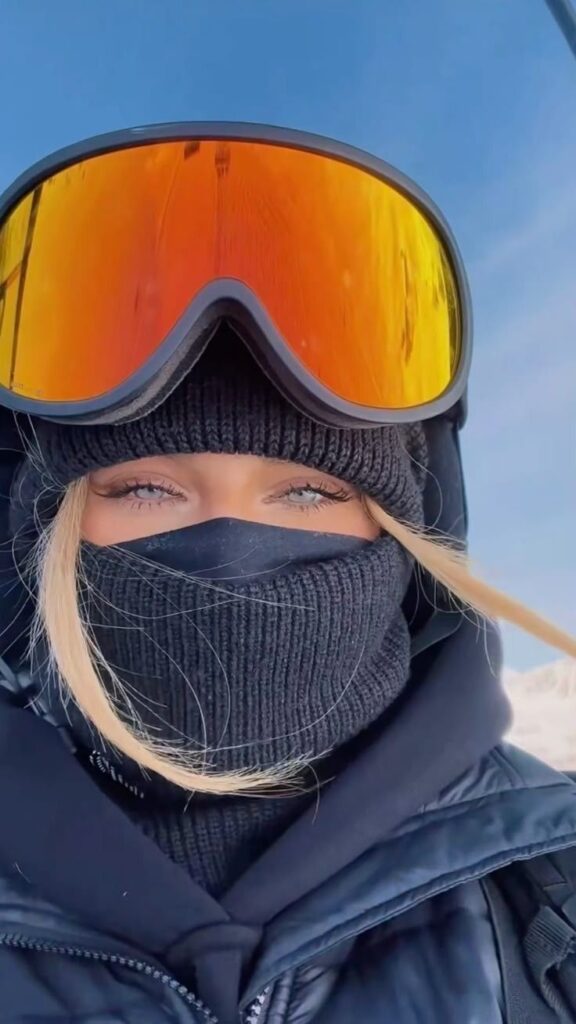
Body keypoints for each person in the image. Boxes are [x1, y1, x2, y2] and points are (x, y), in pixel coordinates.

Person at [0, 123, 575, 1024]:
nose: (231, 542)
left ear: (410, 541)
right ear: (43, 542)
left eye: (307, 493)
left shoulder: (555, 889)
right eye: (147, 488)